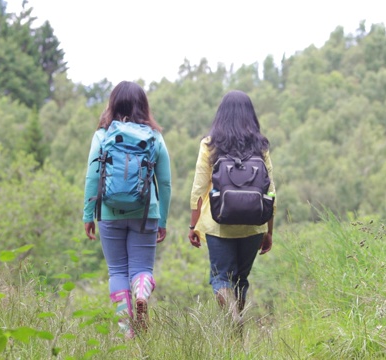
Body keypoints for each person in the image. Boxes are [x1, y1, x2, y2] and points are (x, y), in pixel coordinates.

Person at [82, 81, 172, 339]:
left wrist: (89, 214)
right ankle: (142, 290)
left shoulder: (103, 135)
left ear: (112, 104)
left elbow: (92, 177)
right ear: (143, 106)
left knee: (117, 271)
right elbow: (164, 183)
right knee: (141, 269)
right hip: (146, 213)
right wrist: (162, 218)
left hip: (110, 212)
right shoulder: (154, 137)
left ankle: (126, 330)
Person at [188, 90, 275, 326]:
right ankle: (236, 331)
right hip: (253, 225)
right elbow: (271, 191)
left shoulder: (210, 144)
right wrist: (268, 231)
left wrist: (193, 224)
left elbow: (198, 188)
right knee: (240, 279)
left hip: (217, 224)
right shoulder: (260, 145)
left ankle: (233, 318)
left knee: (220, 278)